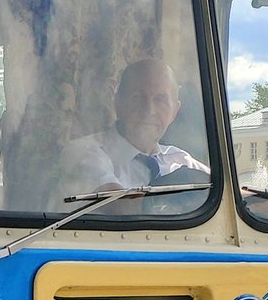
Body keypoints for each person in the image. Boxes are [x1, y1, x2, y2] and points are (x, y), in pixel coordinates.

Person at [50, 56, 209, 207]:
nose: (149, 110)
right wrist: (182, 194)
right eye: (137, 97)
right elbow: (119, 208)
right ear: (118, 102)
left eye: (160, 100)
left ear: (175, 111)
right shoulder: (84, 152)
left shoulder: (182, 161)